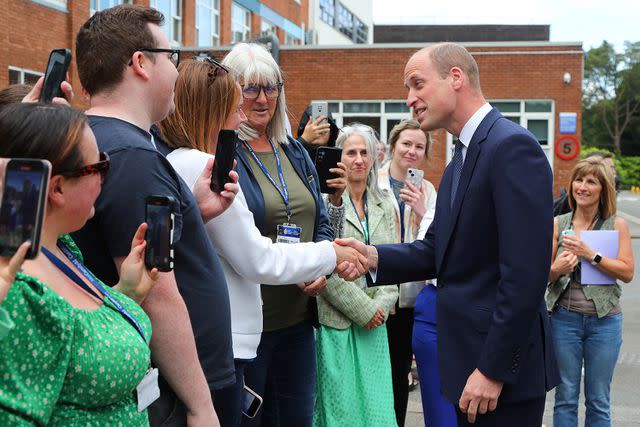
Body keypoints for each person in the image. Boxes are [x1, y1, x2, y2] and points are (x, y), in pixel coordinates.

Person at [338, 42, 560, 426]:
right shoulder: (460, 157)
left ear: (455, 77)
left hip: (498, 376)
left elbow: (525, 275)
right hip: (464, 366)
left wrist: (492, 371)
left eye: (417, 84)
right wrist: (373, 257)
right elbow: (438, 249)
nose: (409, 99)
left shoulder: (511, 147)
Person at [157, 58, 365, 426]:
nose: (242, 116)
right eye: (235, 105)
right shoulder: (209, 168)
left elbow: (315, 215)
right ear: (213, 110)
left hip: (273, 323)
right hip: (232, 336)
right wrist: (330, 254)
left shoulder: (176, 160)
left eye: (270, 89)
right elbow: (257, 258)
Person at [71, 5, 234, 425]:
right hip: (168, 391)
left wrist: (192, 211)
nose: (178, 72)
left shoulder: (93, 141)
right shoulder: (134, 158)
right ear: (141, 63)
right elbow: (156, 290)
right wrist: (201, 405)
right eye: (171, 57)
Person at [0, 102, 157, 425]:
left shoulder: (60, 248)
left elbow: (77, 349)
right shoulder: (20, 291)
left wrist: (125, 292)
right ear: (57, 187)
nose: (103, 177)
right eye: (98, 166)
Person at [222, 42, 334, 426]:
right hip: (249, 330)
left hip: (298, 324)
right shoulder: (224, 153)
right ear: (230, 89)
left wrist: (321, 265)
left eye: (271, 88)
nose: (263, 98)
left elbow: (319, 217)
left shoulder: (294, 150)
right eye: (250, 88)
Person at [314, 124, 398, 426]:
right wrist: (364, 309)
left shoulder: (385, 205)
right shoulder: (325, 206)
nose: (359, 159)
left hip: (376, 325)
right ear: (340, 158)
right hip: (338, 323)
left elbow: (394, 262)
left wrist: (381, 306)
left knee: (377, 411)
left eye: (365, 152)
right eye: (351, 153)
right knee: (342, 413)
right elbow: (325, 267)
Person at [547, 156, 634, 427]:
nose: (582, 186)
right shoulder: (558, 224)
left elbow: (627, 272)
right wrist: (558, 268)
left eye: (591, 181)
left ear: (602, 189)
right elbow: (542, 276)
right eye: (578, 180)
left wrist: (591, 255)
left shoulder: (615, 224)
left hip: (605, 322)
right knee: (566, 396)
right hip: (564, 320)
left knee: (598, 399)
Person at [377, 119, 449, 426]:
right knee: (378, 375)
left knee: (401, 375)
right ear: (393, 146)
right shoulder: (373, 181)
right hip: (379, 294)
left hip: (410, 298)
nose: (412, 151)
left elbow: (433, 242)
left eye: (419, 146)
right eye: (406, 144)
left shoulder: (429, 190)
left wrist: (422, 211)